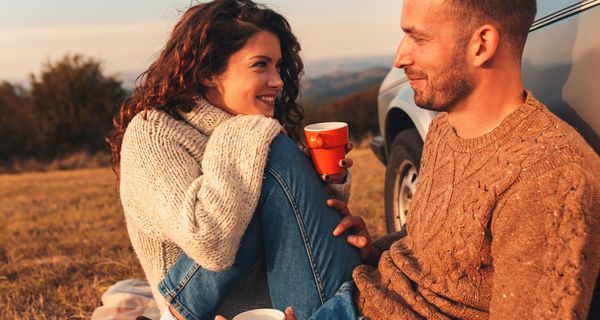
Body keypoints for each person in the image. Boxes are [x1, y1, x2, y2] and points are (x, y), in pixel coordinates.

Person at [219, 0, 600, 319]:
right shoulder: (444, 130)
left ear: (482, 44)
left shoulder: (549, 177)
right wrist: (376, 248)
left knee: (277, 155)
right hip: (361, 294)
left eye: (417, 37)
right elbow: (441, 250)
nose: (399, 57)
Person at [106, 1, 363, 319]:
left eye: (278, 66)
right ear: (209, 73)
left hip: (281, 291)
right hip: (205, 308)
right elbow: (209, 241)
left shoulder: (247, 127)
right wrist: (247, 133)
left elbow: (298, 226)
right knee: (270, 158)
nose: (278, 80)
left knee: (271, 162)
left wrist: (327, 180)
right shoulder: (153, 134)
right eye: (261, 65)